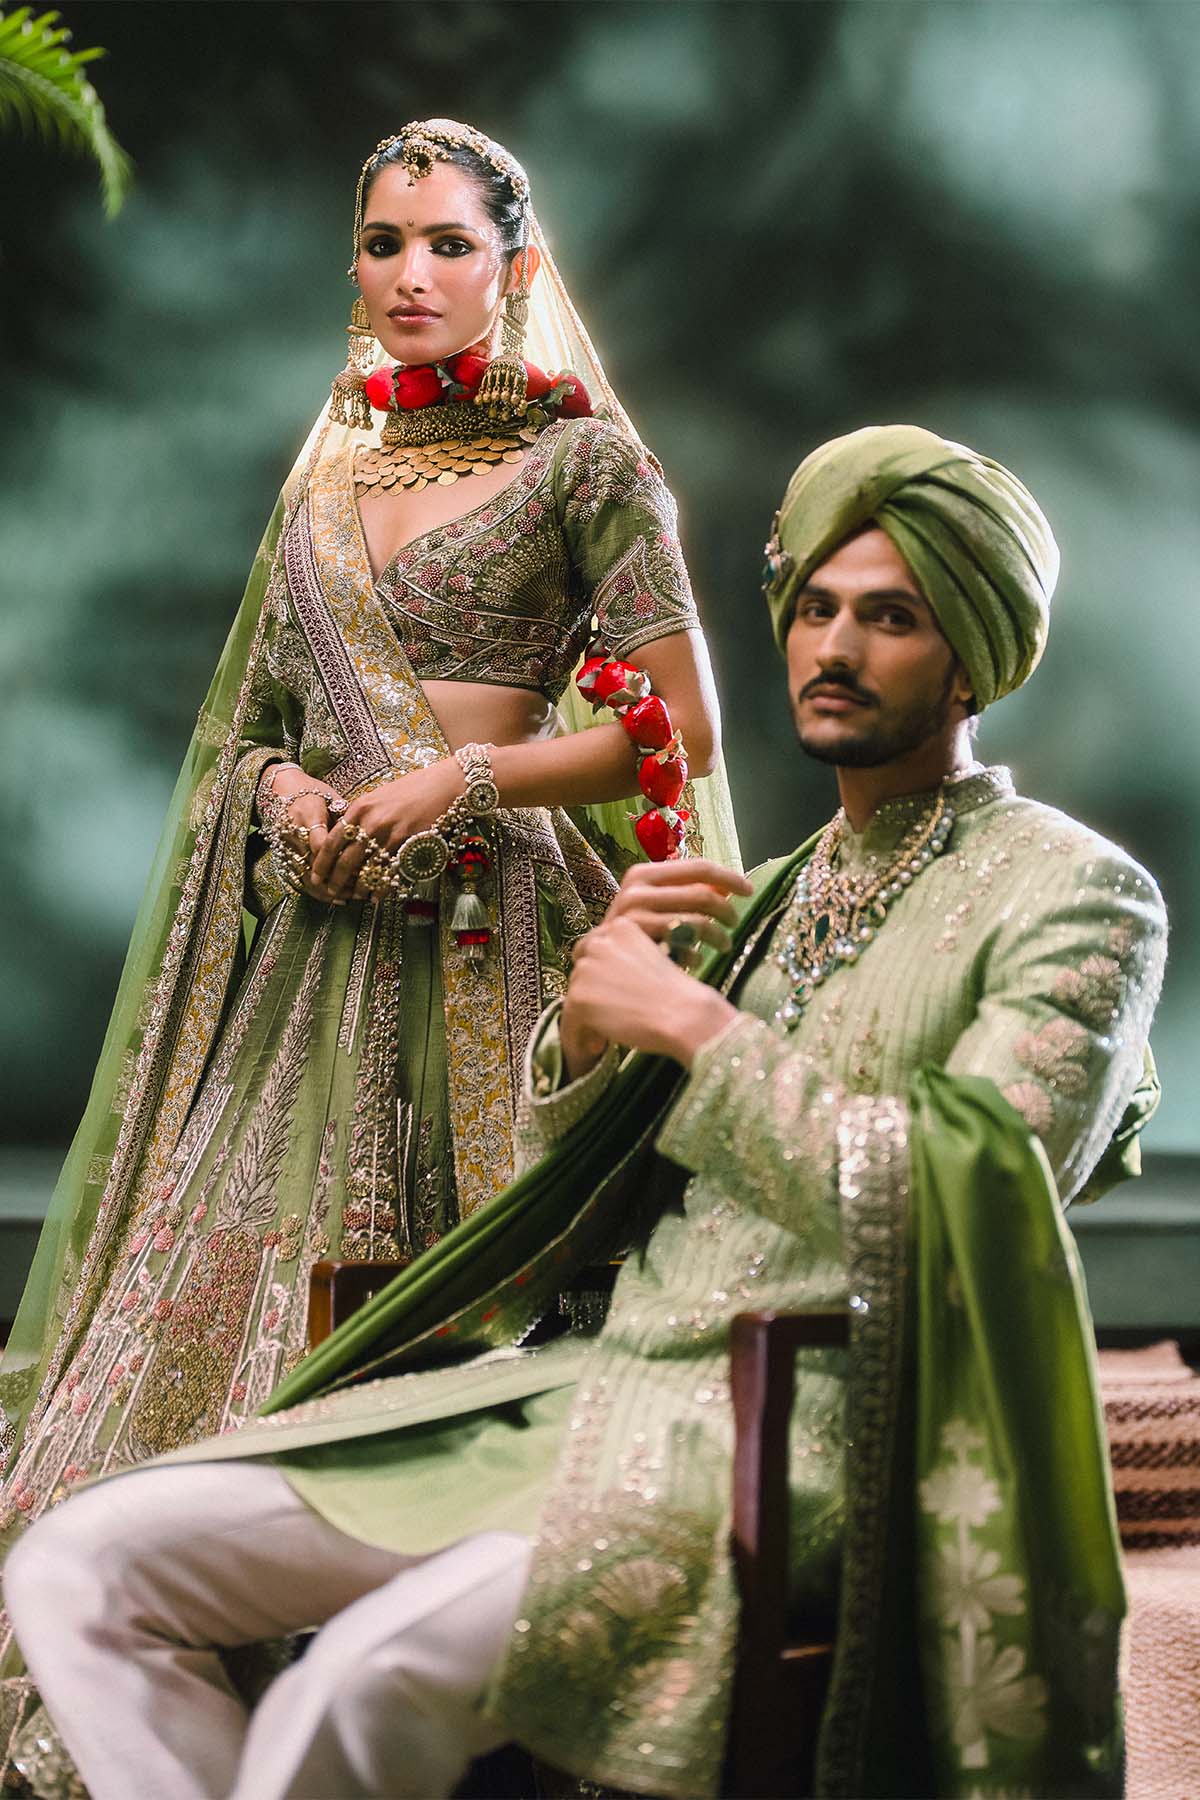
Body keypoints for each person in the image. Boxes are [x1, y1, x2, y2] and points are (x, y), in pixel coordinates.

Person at [4, 426, 1166, 1800]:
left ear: (971, 660)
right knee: (78, 1562)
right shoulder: (769, 894)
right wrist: (587, 1034)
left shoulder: (1077, 895)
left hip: (795, 1442)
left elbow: (969, 1205)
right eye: (816, 609)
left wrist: (693, 1028)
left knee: (362, 1676)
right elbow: (584, 1198)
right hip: (577, 1397)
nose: (836, 647)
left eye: (892, 618)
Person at [0, 117, 739, 1752]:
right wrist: (282, 801)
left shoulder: (586, 467)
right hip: (323, 949)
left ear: (514, 268)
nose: (413, 273)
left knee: (484, 1287)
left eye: (450, 244)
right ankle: (209, 1641)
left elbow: (676, 726)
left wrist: (464, 779)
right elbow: (253, 729)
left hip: (502, 934)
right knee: (250, 1279)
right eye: (386, 242)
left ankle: (444, 1675)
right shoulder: (326, 476)